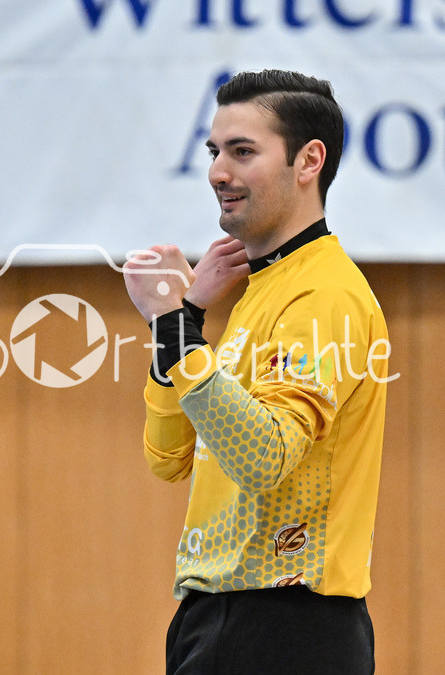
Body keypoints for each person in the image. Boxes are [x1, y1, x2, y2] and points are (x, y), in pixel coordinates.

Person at [123, 69, 389, 674]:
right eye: (215, 151)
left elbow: (263, 455)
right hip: (220, 615)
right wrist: (186, 316)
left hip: (284, 625)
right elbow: (169, 457)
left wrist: (173, 326)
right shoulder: (262, 289)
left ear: (308, 161)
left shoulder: (325, 294)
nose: (219, 171)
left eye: (243, 152)